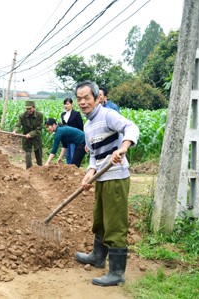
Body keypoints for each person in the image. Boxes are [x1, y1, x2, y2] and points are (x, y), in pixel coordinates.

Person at [74, 80, 139, 287]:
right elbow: (93, 156)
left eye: (86, 98)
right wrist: (88, 175)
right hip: (101, 177)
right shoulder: (88, 125)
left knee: (115, 224)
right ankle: (98, 256)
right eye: (79, 99)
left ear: (97, 98)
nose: (83, 102)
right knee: (100, 220)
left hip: (116, 177)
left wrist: (123, 148)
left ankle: (117, 272)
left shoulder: (107, 115)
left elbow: (131, 127)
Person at [13, 100, 43, 169]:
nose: (28, 110)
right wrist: (15, 130)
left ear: (34, 107)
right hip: (26, 138)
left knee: (38, 153)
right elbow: (18, 125)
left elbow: (39, 129)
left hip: (36, 137)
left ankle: (40, 169)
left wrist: (31, 134)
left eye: (30, 108)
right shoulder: (22, 116)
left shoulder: (39, 115)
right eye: (27, 109)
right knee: (28, 154)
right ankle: (29, 169)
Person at [60, 98, 84, 164]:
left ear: (71, 104)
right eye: (65, 104)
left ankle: (74, 168)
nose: (66, 106)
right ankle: (68, 169)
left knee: (73, 154)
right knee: (67, 155)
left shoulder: (76, 114)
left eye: (67, 104)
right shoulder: (63, 115)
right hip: (67, 138)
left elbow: (81, 126)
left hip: (74, 138)